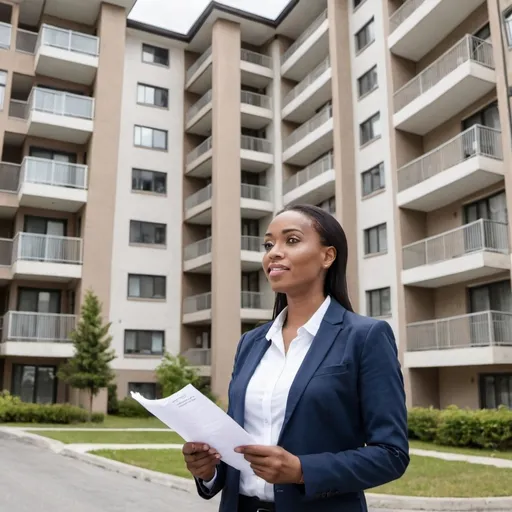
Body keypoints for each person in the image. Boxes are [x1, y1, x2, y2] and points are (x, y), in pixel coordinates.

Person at [182, 204, 409, 512]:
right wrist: (208, 470)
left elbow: (391, 454)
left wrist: (302, 470)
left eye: (291, 240)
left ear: (327, 256)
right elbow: (239, 448)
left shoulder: (365, 337)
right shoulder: (251, 343)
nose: (273, 252)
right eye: (268, 244)